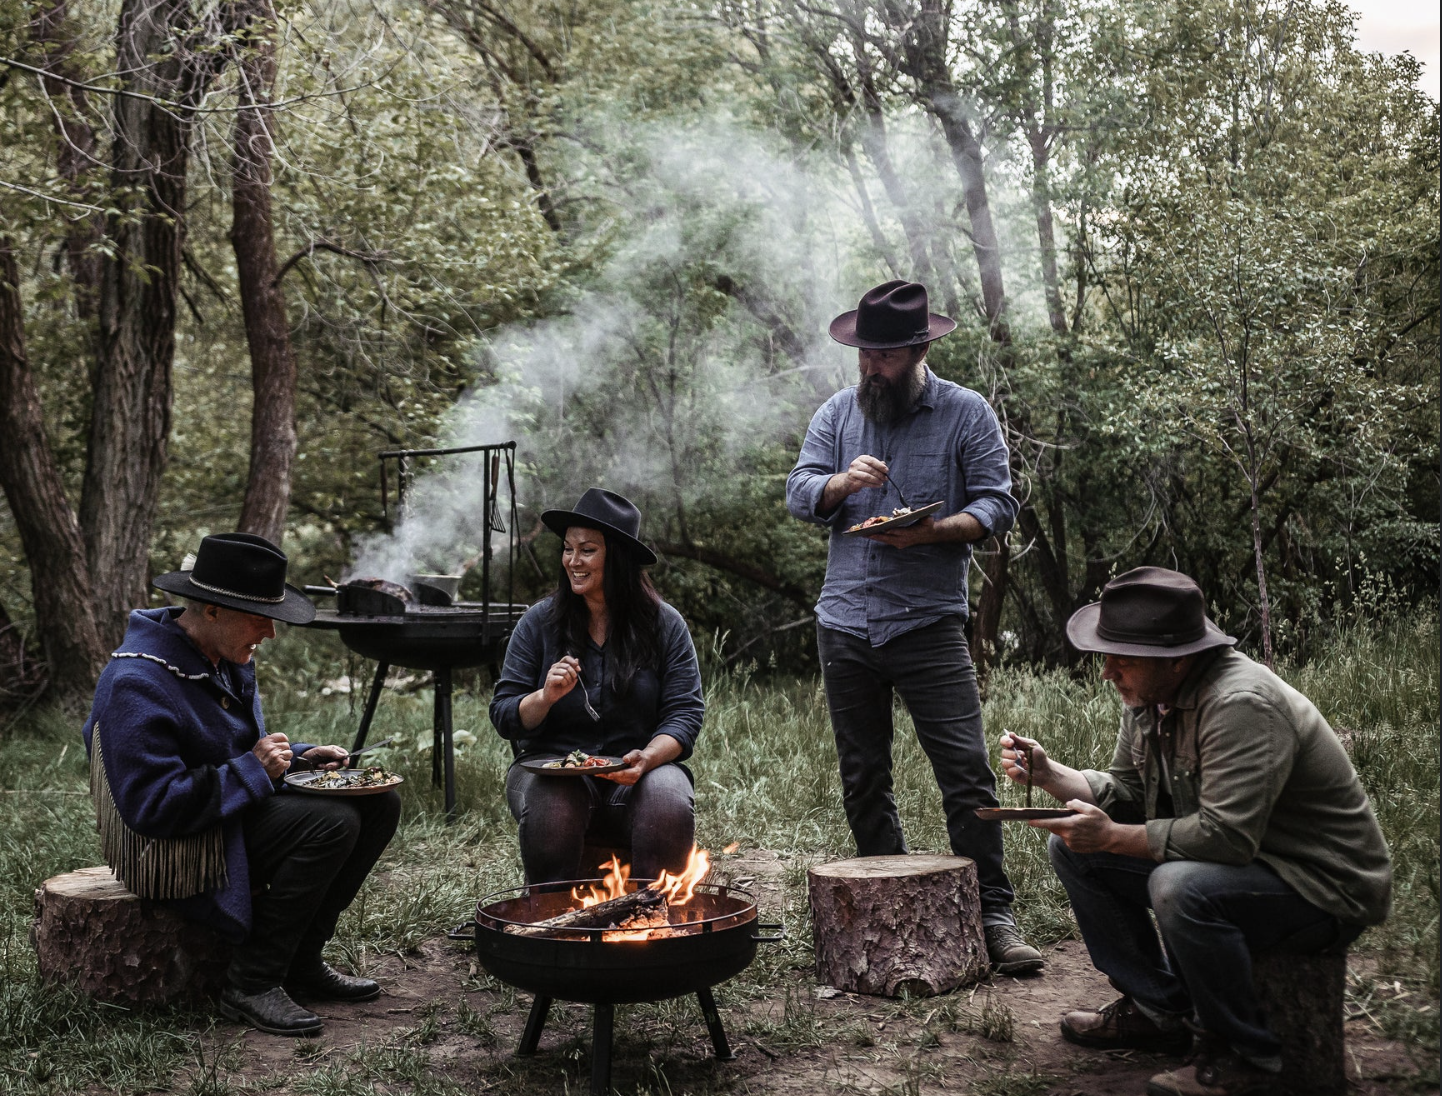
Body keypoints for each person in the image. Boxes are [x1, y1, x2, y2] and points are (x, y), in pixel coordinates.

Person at [1002, 567, 1392, 1096]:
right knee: (1074, 851)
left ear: (1177, 658)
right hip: (1248, 864)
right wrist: (1049, 775)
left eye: (1123, 659)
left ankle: (1250, 1058)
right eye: (1106, 655)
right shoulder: (1151, 695)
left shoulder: (1240, 704)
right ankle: (1159, 1012)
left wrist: (1113, 836)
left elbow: (1225, 839)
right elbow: (1125, 791)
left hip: (1320, 887)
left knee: (1178, 886)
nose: (1107, 672)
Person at [785, 279, 1041, 974]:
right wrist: (838, 486)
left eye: (886, 356)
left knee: (965, 772)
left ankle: (993, 913)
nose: (871, 367)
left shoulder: (966, 413)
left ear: (920, 348)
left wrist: (931, 533)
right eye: (864, 353)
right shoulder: (839, 414)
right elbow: (798, 490)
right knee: (863, 776)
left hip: (928, 623)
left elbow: (997, 504)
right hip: (843, 624)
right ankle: (889, 904)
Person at [82, 533, 400, 1037]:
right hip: (171, 845)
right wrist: (255, 770)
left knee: (381, 802)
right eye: (259, 619)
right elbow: (152, 808)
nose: (270, 634)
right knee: (331, 823)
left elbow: (228, 754)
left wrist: (297, 759)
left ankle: (300, 960)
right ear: (211, 610)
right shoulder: (136, 682)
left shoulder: (224, 657)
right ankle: (251, 982)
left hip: (222, 811)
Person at [489, 488, 705, 884]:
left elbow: (685, 715)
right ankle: (549, 922)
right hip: (547, 768)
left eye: (587, 550)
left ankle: (655, 921)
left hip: (639, 768)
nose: (573, 561)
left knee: (667, 800)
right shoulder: (538, 623)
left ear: (617, 558)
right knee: (554, 802)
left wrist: (647, 758)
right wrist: (544, 697)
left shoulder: (664, 624)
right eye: (568, 549)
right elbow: (504, 714)